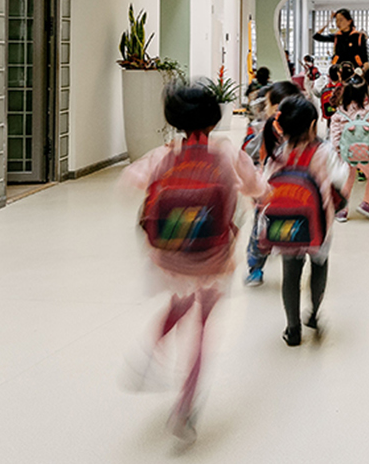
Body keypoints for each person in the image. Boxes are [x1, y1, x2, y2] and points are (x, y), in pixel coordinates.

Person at [120, 84, 265, 444]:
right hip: (213, 258)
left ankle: (150, 355)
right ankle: (184, 407)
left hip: (171, 257)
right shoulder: (226, 153)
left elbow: (131, 180)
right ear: (213, 119)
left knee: (179, 304)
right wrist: (261, 193)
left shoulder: (165, 154)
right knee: (202, 326)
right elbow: (254, 185)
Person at [259, 95, 346, 346]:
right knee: (319, 267)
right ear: (312, 125)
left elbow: (265, 186)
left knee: (290, 276)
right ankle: (314, 314)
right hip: (320, 223)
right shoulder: (324, 152)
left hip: (285, 225)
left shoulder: (277, 153)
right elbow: (340, 178)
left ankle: (292, 328)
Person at [244, 80, 299, 286]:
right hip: (296, 193)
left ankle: (255, 269)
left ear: (277, 108)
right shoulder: (302, 133)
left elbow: (249, 152)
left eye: (267, 104)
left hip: (267, 192)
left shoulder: (266, 129)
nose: (265, 108)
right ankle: (290, 269)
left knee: (260, 231)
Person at [330, 81, 369, 220]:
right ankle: (367, 203)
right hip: (364, 152)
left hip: (346, 152)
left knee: (349, 179)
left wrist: (340, 151)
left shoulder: (339, 112)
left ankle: (342, 211)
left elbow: (335, 137)